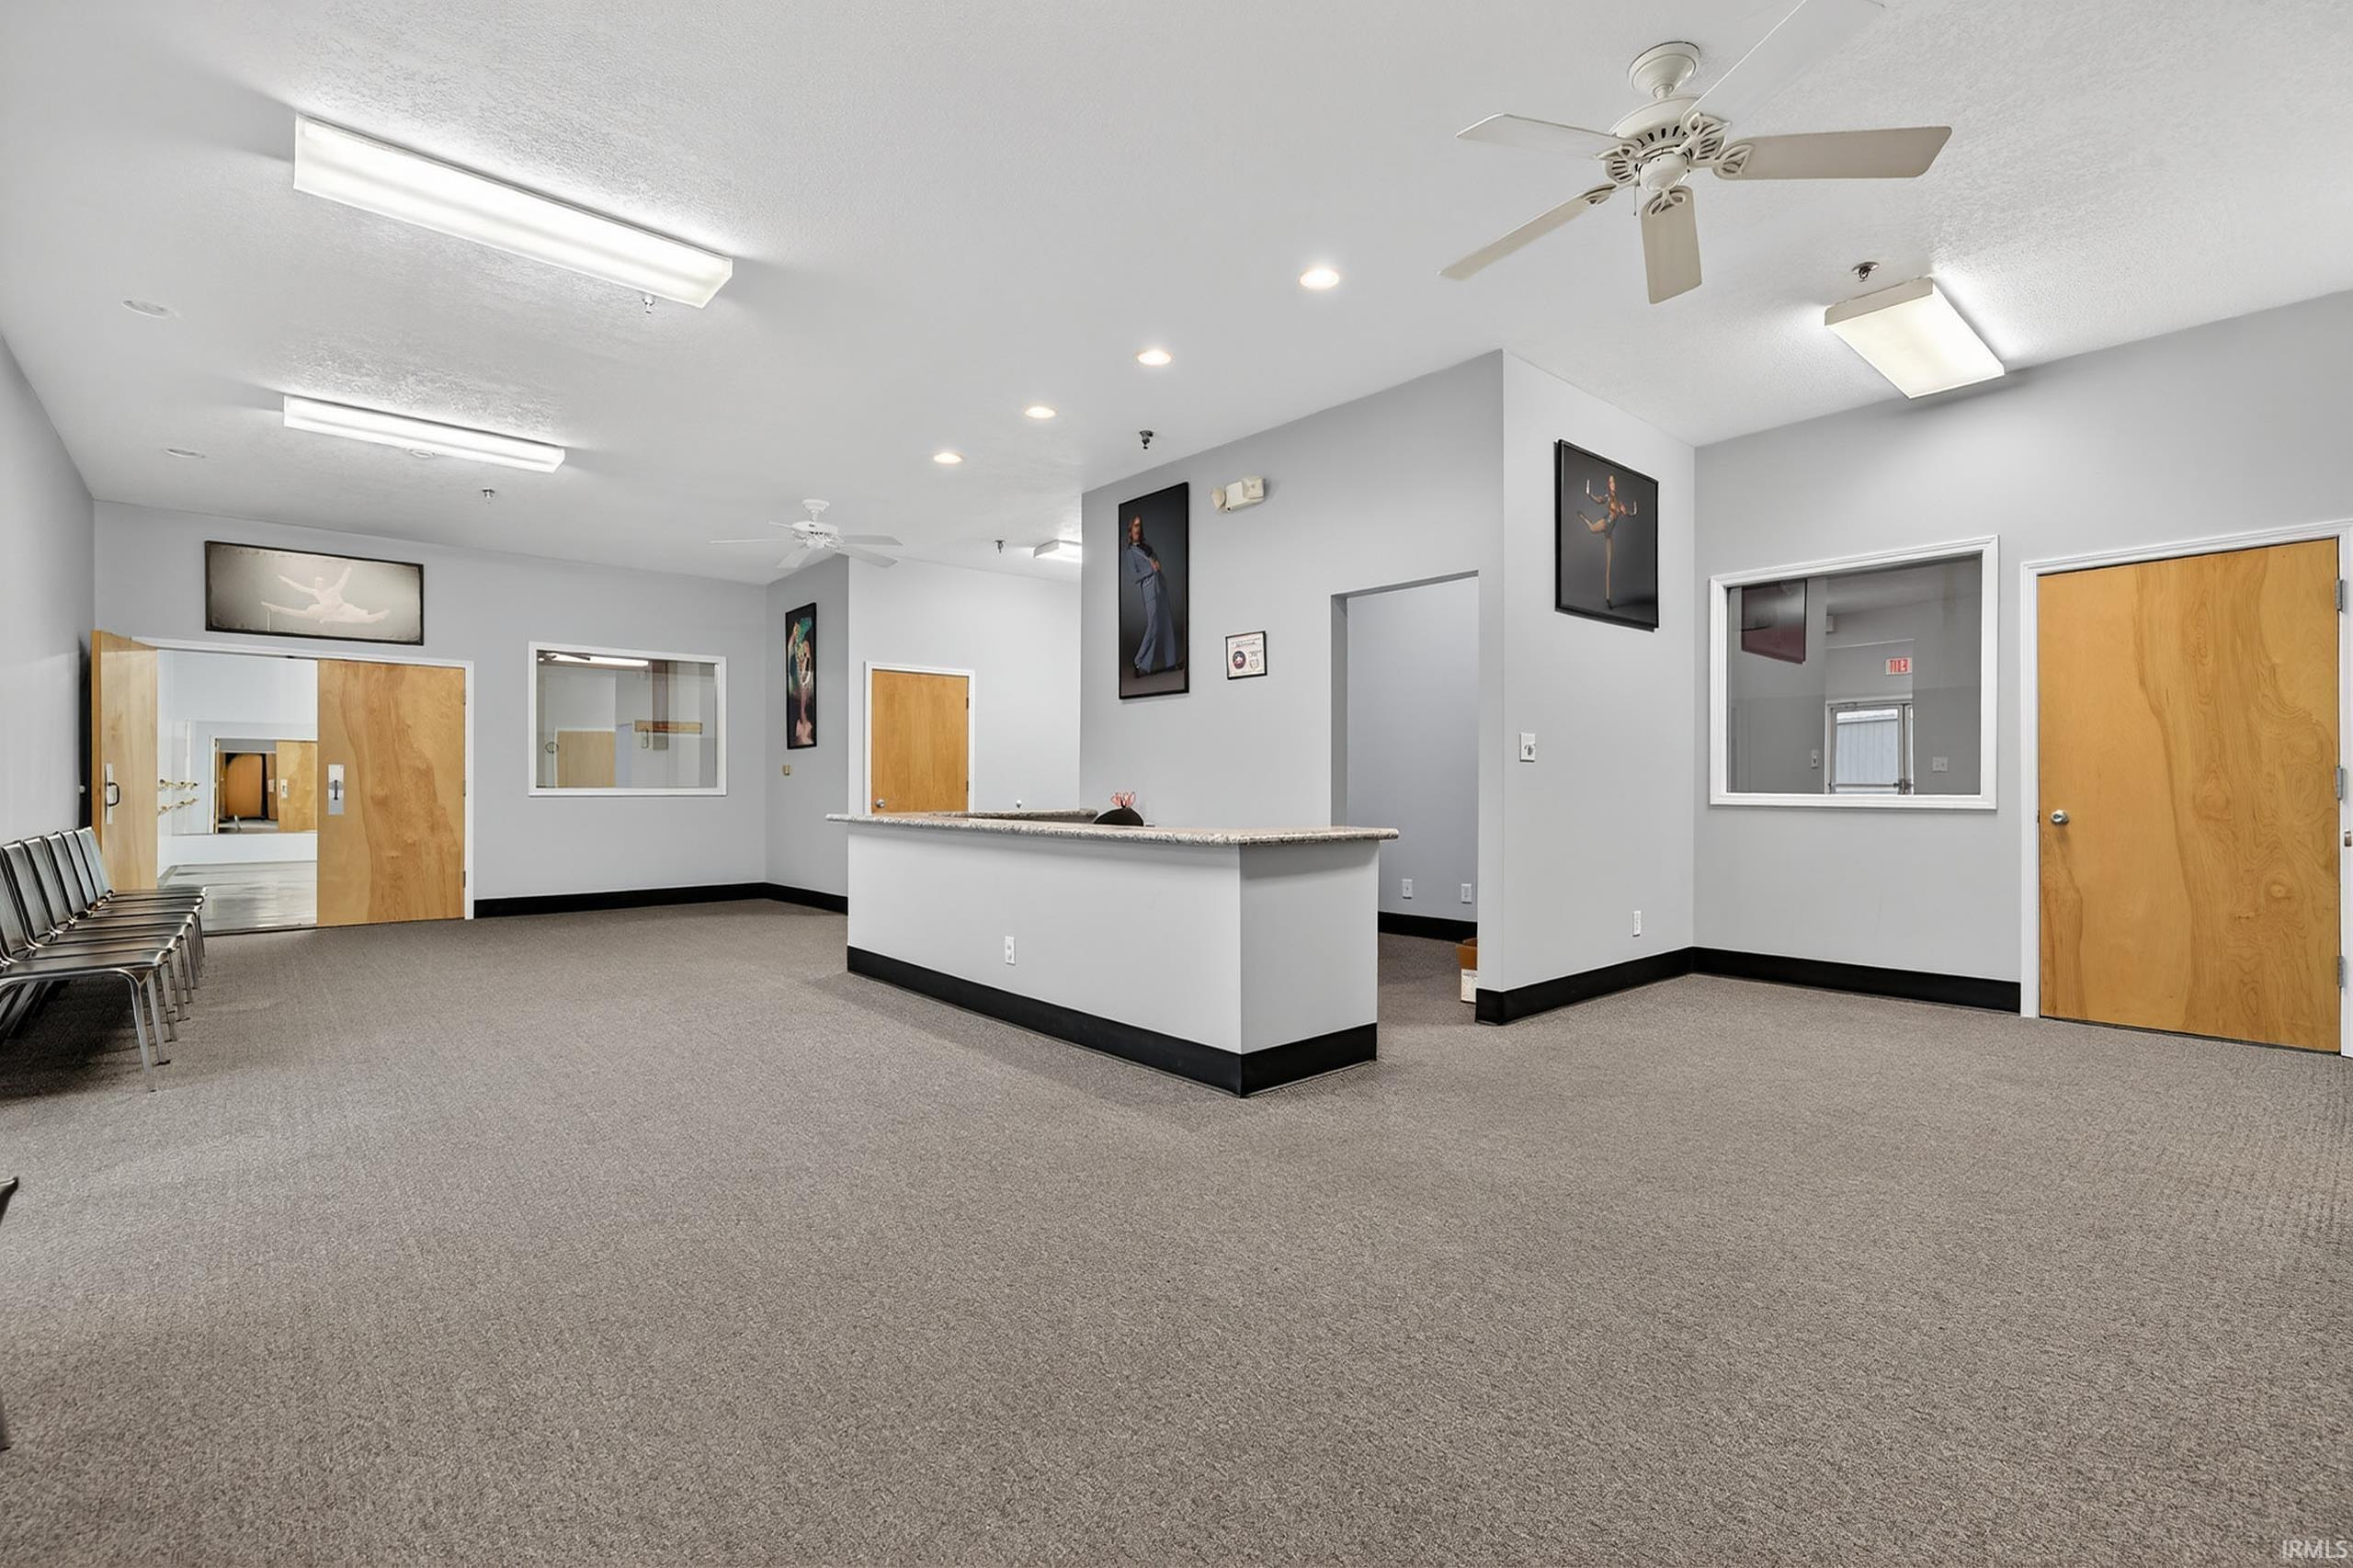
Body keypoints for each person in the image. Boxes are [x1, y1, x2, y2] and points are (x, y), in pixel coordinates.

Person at [1125, 515, 1180, 676]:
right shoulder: (1130, 552)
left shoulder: (1147, 547)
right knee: (1153, 625)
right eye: (1135, 525)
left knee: (1167, 623)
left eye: (1139, 525)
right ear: (1130, 529)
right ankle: (1139, 661)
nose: (1138, 529)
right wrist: (1151, 569)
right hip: (1149, 590)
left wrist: (1157, 565)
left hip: (1160, 586)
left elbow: (1156, 561)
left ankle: (1171, 662)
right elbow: (1135, 576)